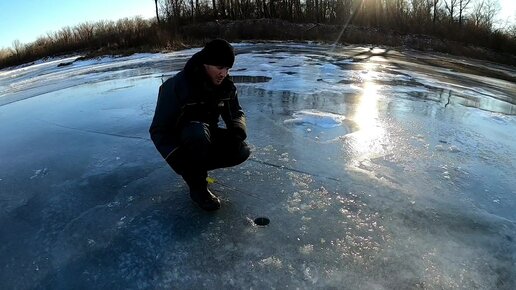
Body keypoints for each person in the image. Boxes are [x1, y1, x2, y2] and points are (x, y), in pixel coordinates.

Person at [149, 39, 250, 211]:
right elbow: (159, 130)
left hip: (204, 136)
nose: (224, 73)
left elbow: (236, 112)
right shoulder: (176, 87)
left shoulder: (225, 87)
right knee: (196, 133)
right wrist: (177, 159)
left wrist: (237, 131)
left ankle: (197, 169)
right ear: (205, 64)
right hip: (182, 141)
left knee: (241, 150)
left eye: (227, 69)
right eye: (220, 68)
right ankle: (198, 187)